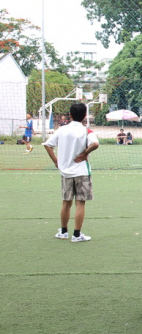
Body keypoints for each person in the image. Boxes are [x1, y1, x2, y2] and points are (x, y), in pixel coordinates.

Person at [42, 103, 99, 242]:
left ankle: (63, 232)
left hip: (66, 172)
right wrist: (85, 153)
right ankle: (77, 234)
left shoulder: (61, 130)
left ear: (70, 115)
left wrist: (56, 161)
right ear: (85, 116)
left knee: (66, 203)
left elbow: (48, 145)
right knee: (80, 203)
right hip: (82, 172)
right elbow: (95, 144)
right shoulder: (87, 131)